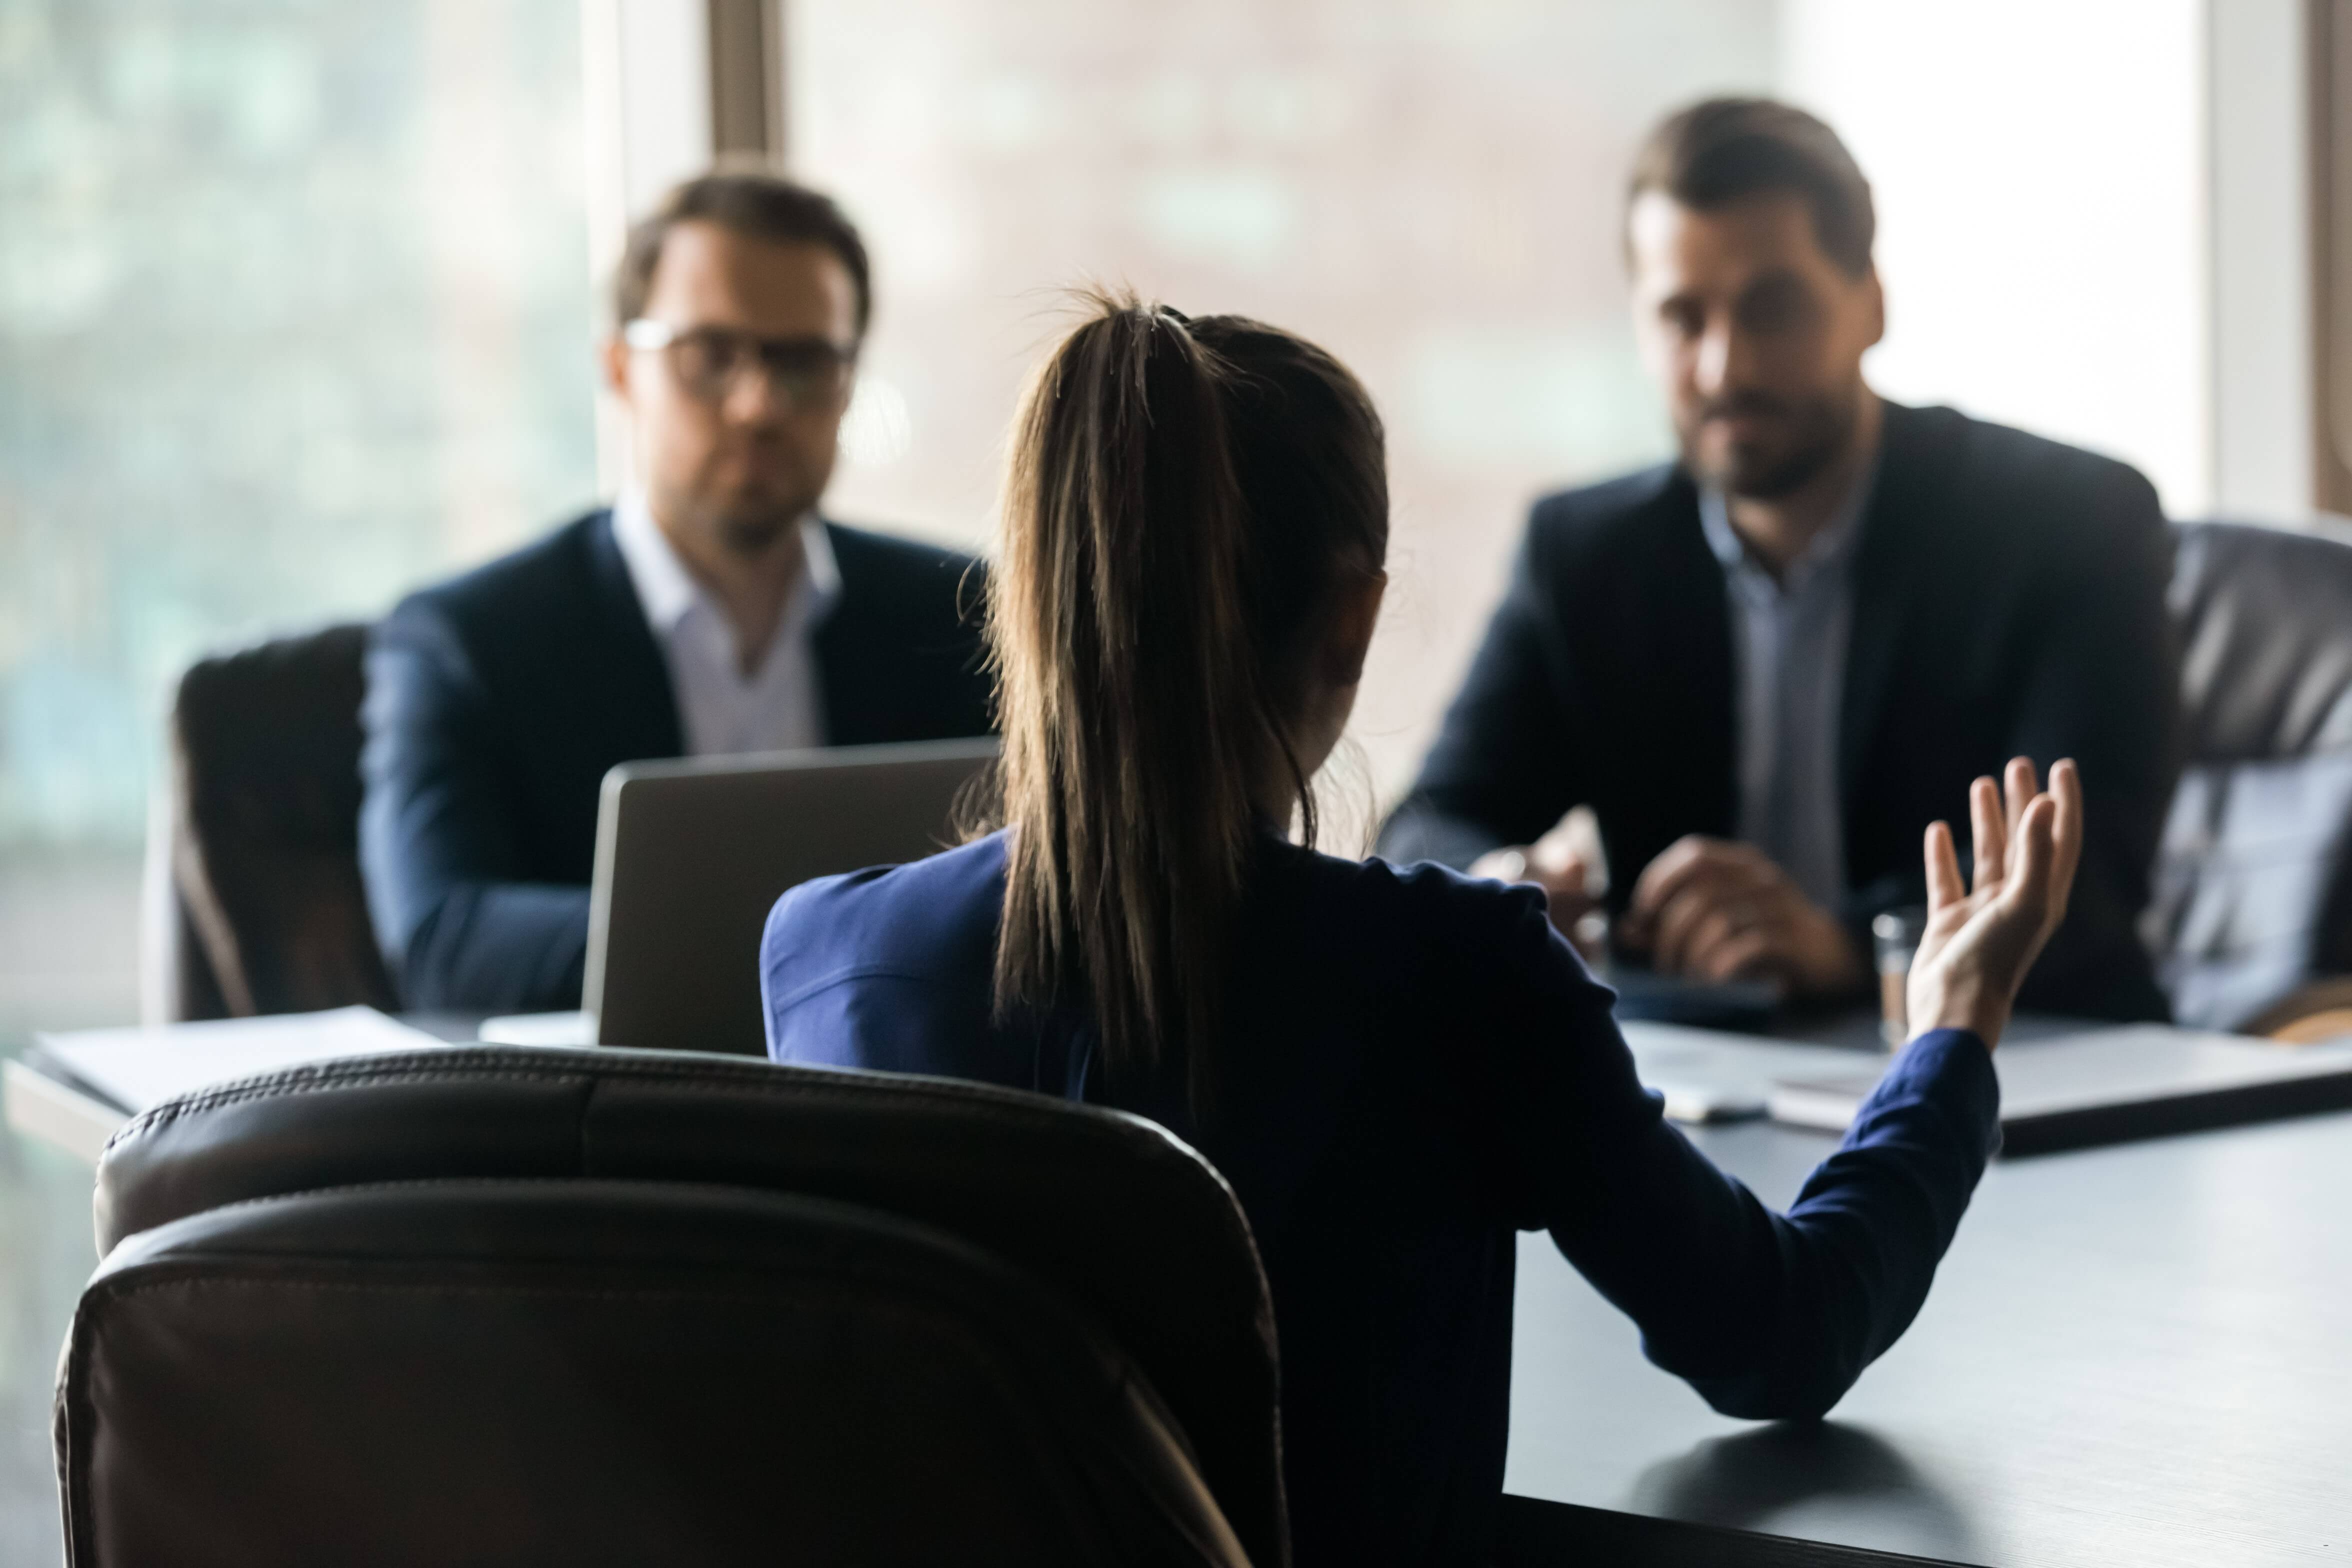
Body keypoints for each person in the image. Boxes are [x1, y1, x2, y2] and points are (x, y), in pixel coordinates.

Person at [758, 296, 2080, 1566]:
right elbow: (1780, 1332)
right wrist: (1950, 1039)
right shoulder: (1456, 974)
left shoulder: (821, 958)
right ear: (1354, 616)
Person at [1379, 97, 2178, 1021]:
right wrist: (1505, 886)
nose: (1726, 368)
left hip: (2030, 1069)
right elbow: (1427, 824)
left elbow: (2091, 878)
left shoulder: (2070, 522)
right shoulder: (1585, 554)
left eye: (1774, 307)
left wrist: (1845, 942)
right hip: (1699, 1092)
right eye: (1684, 318)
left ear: (1871, 304)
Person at [361, 172, 992, 1012]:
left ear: (849, 379)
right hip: (614, 1127)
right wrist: (799, 940)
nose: (759, 404)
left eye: (803, 362)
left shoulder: (963, 616)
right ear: (621, 370)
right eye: (711, 357)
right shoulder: (470, 641)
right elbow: (442, 935)